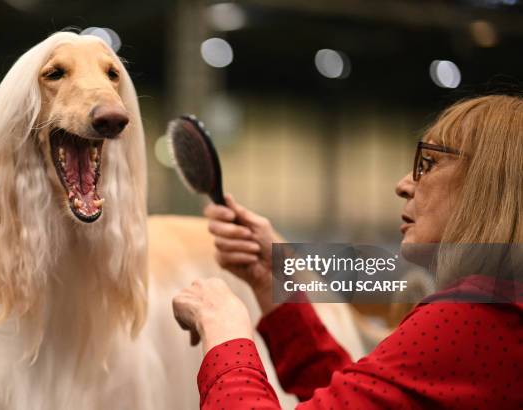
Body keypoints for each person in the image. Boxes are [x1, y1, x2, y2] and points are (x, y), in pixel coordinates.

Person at [172, 95, 523, 409]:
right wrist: (270, 283)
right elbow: (362, 396)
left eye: (428, 162)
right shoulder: (499, 318)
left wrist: (223, 326)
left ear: (489, 185)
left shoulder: (471, 317)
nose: (403, 185)